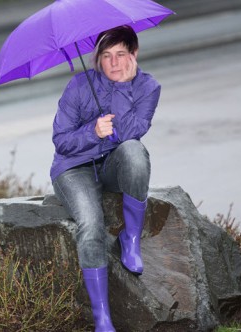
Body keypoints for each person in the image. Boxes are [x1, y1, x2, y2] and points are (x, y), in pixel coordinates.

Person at [50, 25, 161, 332]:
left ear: (134, 55)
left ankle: (131, 239)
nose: (113, 63)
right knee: (90, 225)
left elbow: (131, 134)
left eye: (121, 55)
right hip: (75, 170)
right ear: (96, 58)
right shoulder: (78, 85)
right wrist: (92, 132)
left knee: (134, 151)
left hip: (113, 166)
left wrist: (124, 88)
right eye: (106, 56)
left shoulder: (148, 87)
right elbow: (60, 141)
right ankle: (103, 319)